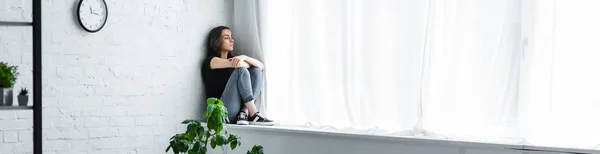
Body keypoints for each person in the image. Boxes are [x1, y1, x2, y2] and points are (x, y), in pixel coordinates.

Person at [201, 26, 274, 126]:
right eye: (227, 37)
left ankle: (245, 112)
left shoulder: (235, 59)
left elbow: (261, 66)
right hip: (221, 113)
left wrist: (245, 57)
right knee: (241, 70)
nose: (232, 40)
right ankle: (254, 113)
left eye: (232, 37)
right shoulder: (212, 61)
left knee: (256, 71)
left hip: (236, 111)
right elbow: (238, 65)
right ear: (217, 41)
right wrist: (243, 60)